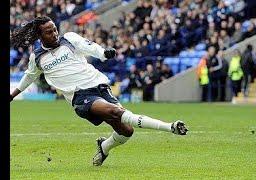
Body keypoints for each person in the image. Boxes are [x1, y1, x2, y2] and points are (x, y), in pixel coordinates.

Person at [10, 16, 188, 166]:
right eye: (49, 32)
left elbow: (89, 46)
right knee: (115, 111)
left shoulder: (69, 39)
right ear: (39, 35)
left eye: (55, 29)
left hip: (99, 85)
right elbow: (29, 77)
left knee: (126, 131)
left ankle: (104, 147)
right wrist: (12, 95)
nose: (54, 33)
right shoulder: (38, 57)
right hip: (80, 96)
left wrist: (103, 53)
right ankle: (170, 127)